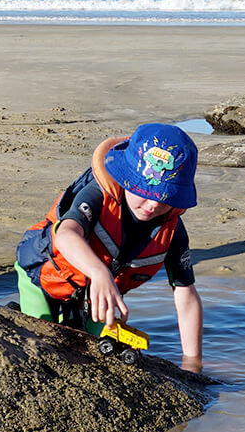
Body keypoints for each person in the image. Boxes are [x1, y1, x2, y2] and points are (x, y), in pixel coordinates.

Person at [16, 123, 203, 371]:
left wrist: (193, 363)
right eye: (145, 192)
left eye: (163, 197)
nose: (152, 205)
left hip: (95, 298)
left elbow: (186, 294)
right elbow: (66, 234)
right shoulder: (96, 195)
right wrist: (99, 272)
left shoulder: (172, 230)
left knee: (90, 356)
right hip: (43, 280)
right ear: (125, 179)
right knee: (43, 349)